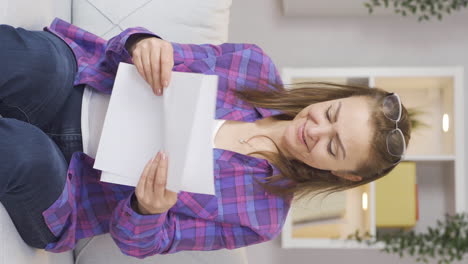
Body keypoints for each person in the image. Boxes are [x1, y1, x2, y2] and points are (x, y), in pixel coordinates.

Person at [0, 18, 411, 258]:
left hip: (67, 189)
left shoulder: (260, 217)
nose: (315, 130)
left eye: (333, 147)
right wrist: (145, 45)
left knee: (28, 152)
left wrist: (147, 208)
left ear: (343, 177)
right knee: (44, 62)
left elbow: (142, 243)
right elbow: (125, 50)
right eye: (330, 113)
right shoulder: (253, 66)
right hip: (76, 86)